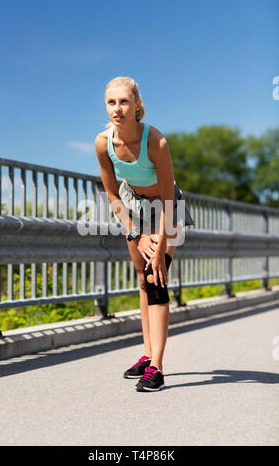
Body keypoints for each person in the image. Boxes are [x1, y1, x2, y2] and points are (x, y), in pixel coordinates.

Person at [95, 77, 195, 392]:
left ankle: (158, 368)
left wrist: (161, 243)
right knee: (142, 277)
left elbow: (167, 198)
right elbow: (112, 194)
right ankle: (147, 353)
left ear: (137, 106)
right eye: (111, 102)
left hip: (167, 207)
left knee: (156, 277)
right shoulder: (103, 143)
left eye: (124, 102)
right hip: (135, 207)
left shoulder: (156, 142)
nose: (117, 109)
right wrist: (136, 234)